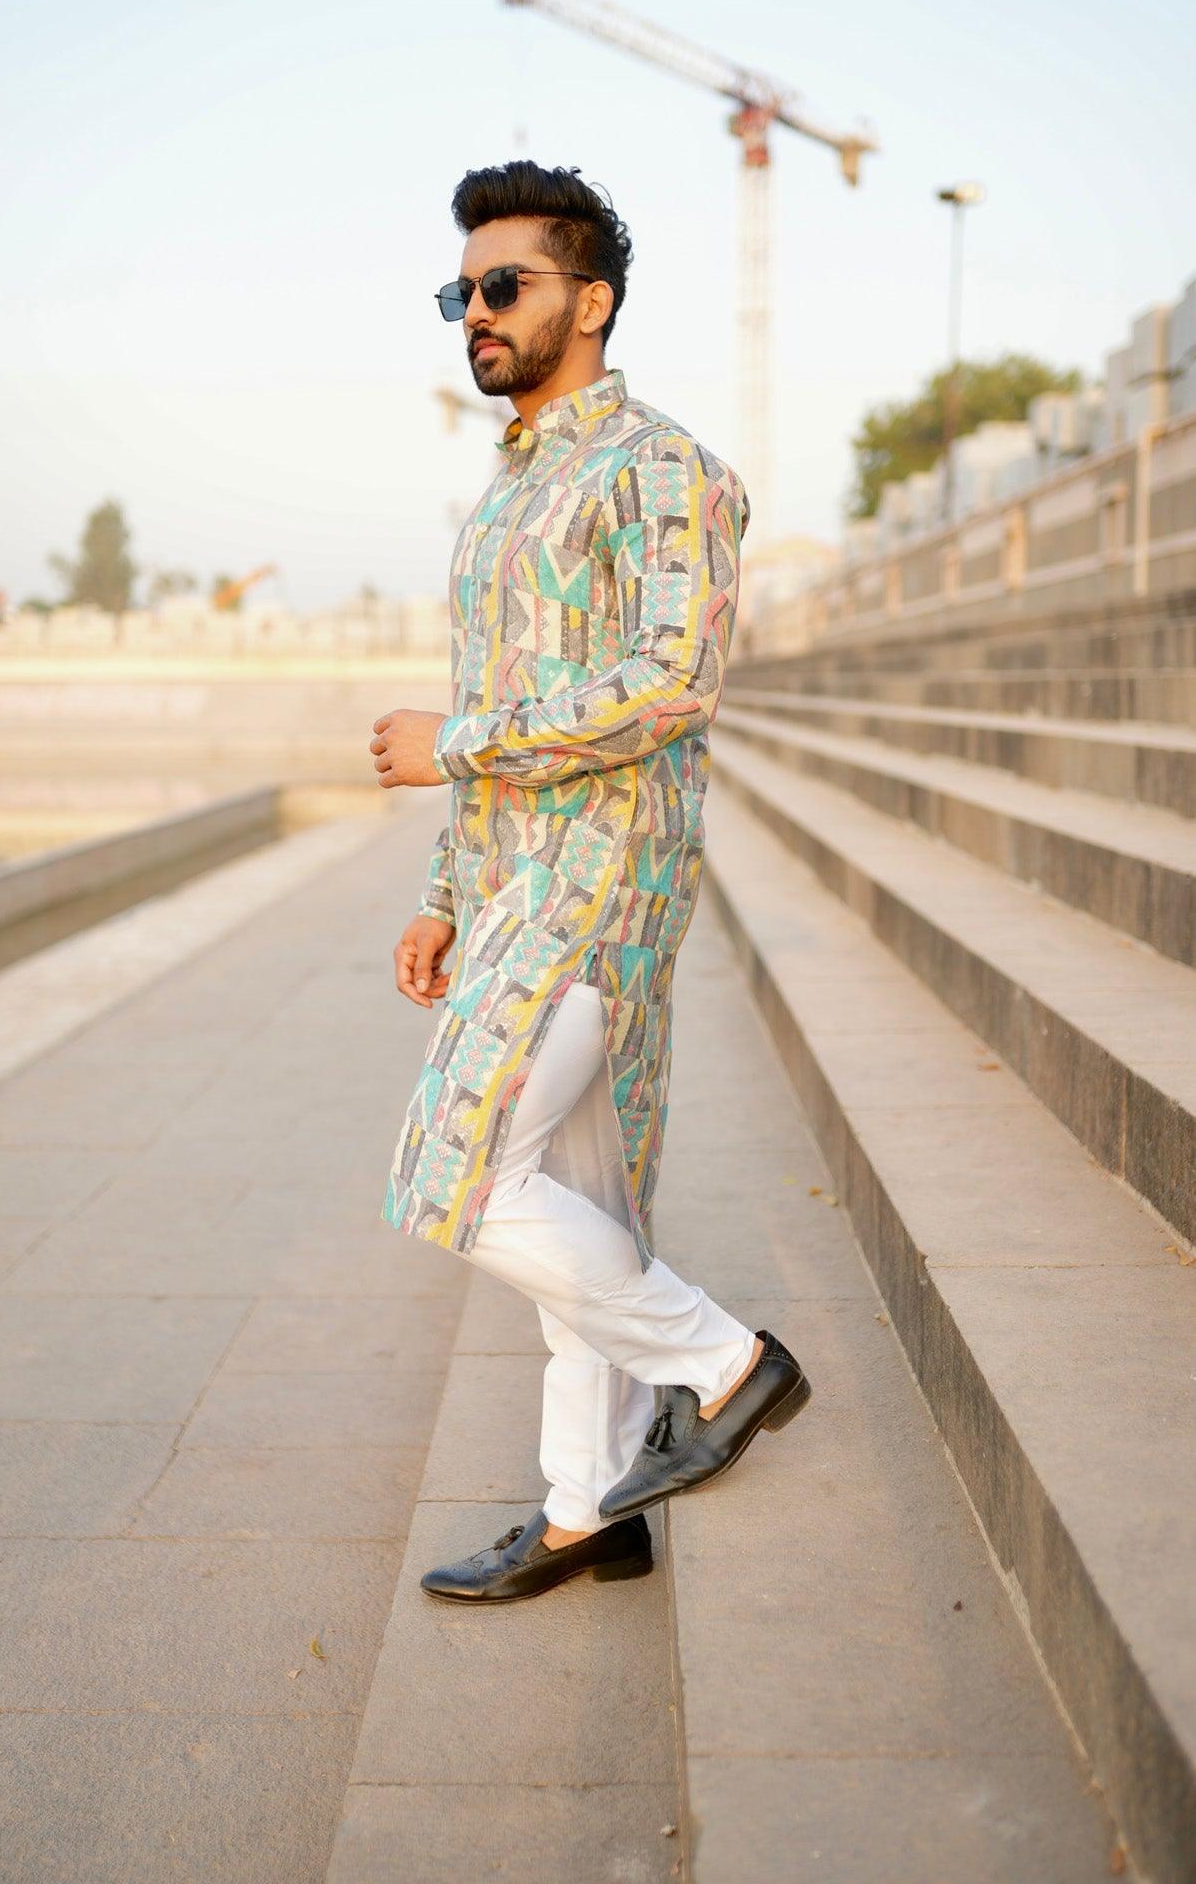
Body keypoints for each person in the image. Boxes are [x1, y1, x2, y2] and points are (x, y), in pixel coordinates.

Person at [369, 160, 811, 1603]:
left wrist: (455, 747)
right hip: (511, 885)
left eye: (504, 286)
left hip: (598, 886)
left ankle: (724, 1364)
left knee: (451, 1171)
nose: (476, 314)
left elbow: (674, 682)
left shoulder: (661, 469)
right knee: (587, 1205)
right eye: (460, 293)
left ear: (593, 300)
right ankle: (588, 1508)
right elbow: (487, 698)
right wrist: (446, 888)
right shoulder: (508, 495)